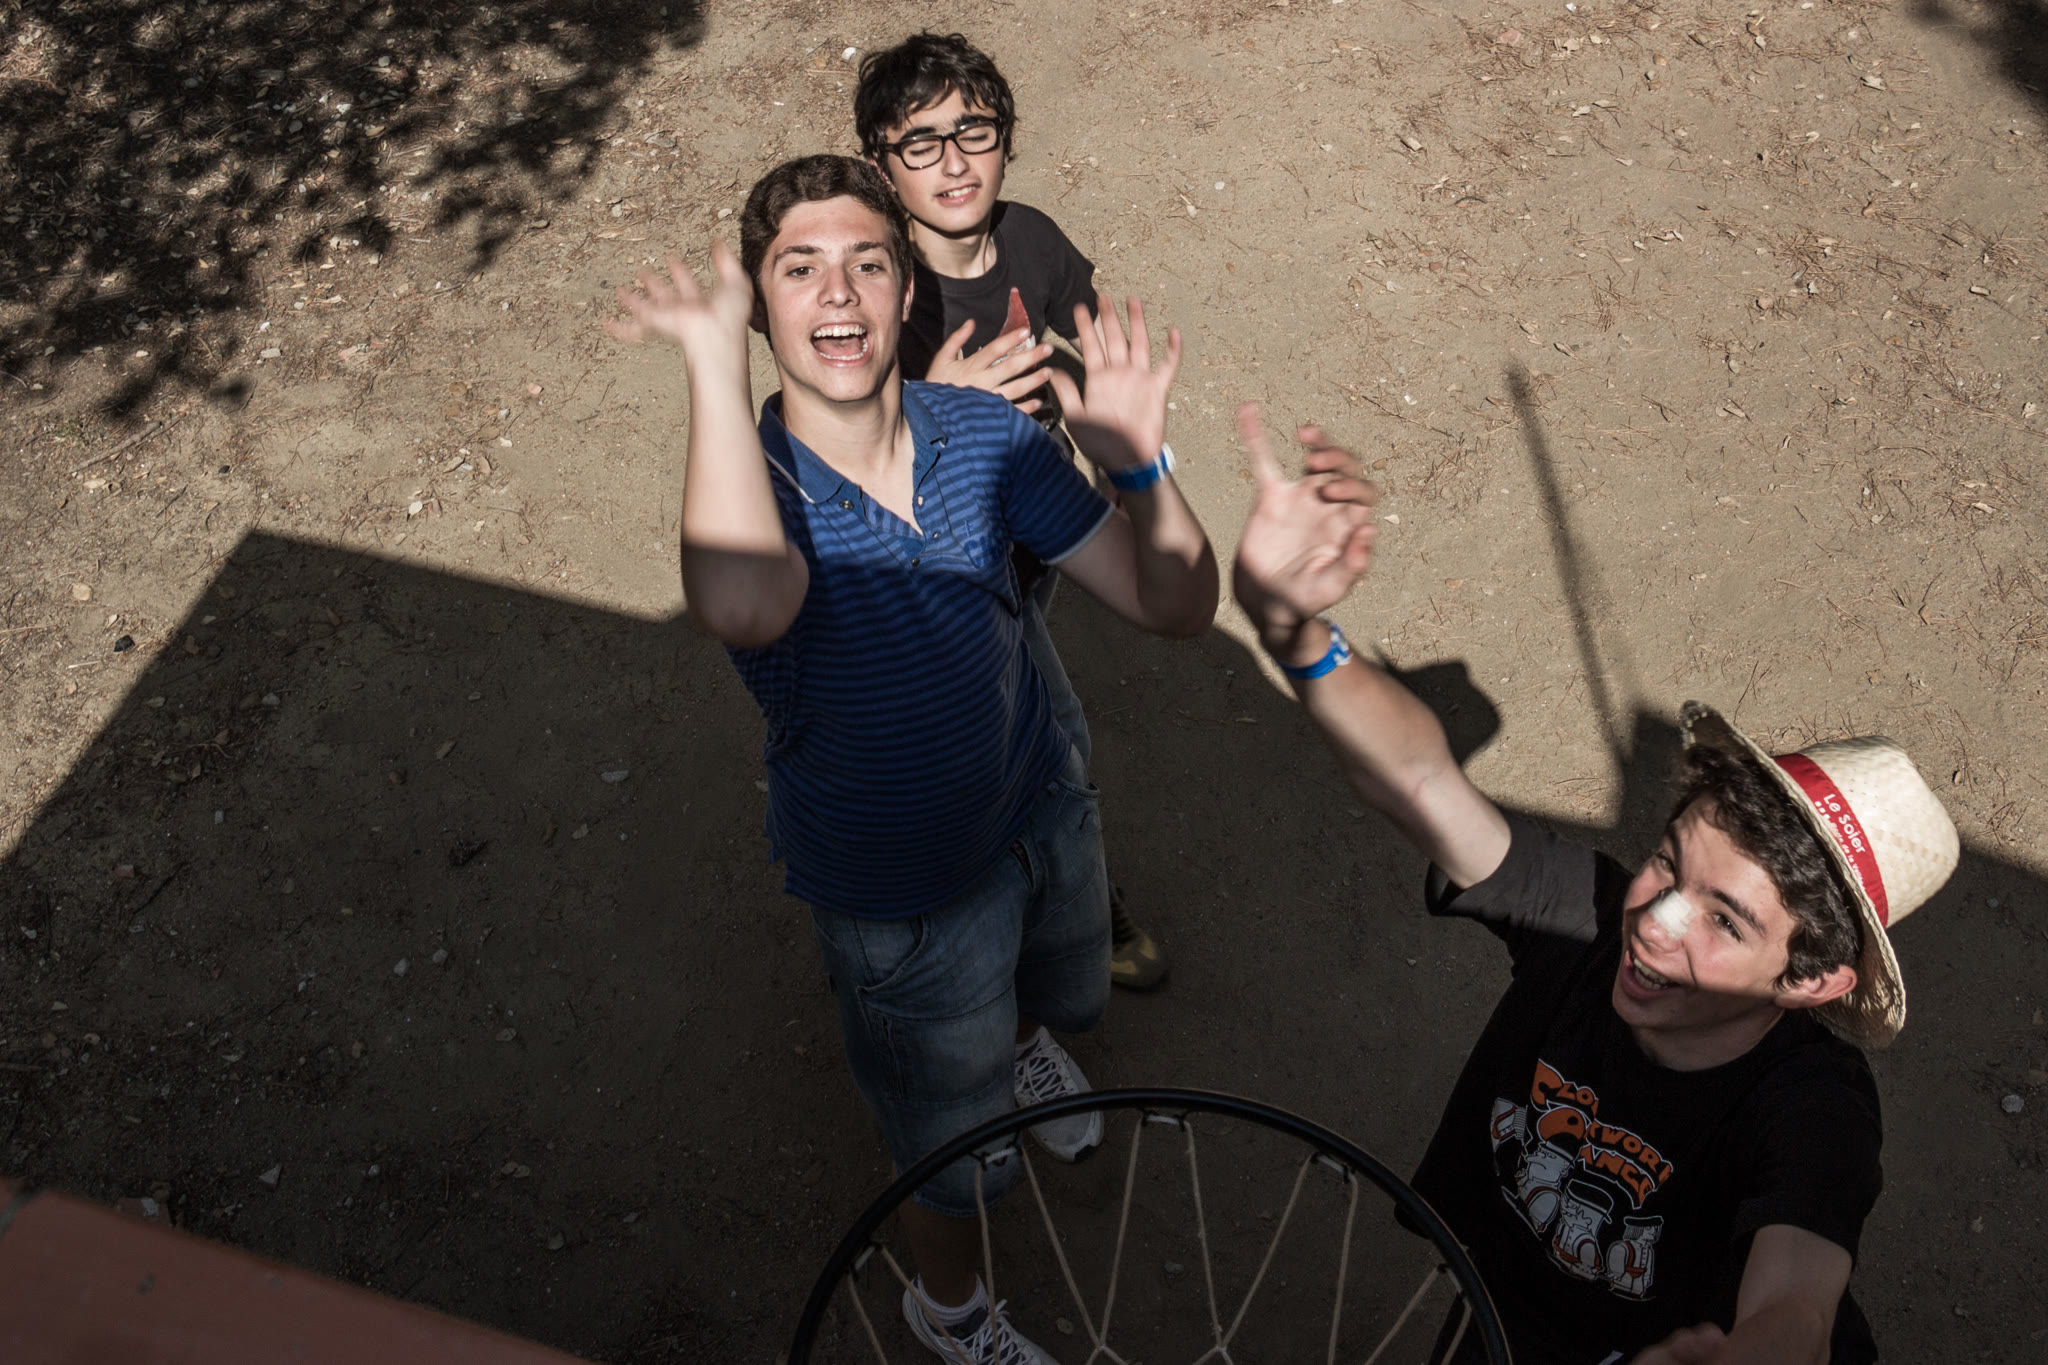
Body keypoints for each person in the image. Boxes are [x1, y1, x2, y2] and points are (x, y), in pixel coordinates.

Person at [608, 154, 1217, 1365]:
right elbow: (740, 604)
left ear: (905, 292)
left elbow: (1175, 605)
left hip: (1035, 808)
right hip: (902, 900)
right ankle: (950, 1312)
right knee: (950, 1155)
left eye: (866, 263)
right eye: (798, 268)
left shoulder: (984, 435)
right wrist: (708, 364)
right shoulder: (753, 490)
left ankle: (1023, 1045)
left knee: (1051, 993)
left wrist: (1141, 466)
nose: (838, 291)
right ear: (758, 305)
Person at [1228, 405, 1959, 1364]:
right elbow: (1423, 782)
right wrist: (1293, 630)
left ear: (1811, 979)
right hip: (1506, 1320)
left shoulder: (1812, 1103)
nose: (1654, 921)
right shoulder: (1586, 920)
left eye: (1726, 920)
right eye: (1668, 862)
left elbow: (1798, 1300)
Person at [855, 31, 1169, 990]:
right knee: (1055, 741)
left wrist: (1123, 453)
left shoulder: (1032, 238)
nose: (953, 161)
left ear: (1007, 137)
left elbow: (1090, 355)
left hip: (1038, 548)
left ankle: (1047, 891)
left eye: (974, 131)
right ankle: (1072, 906)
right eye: (920, 141)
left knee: (1025, 731)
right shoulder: (879, 295)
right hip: (952, 571)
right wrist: (935, 409)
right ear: (882, 164)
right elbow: (840, 454)